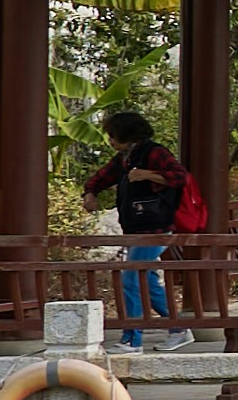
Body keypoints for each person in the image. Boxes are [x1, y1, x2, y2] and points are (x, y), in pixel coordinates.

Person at [81, 108, 198, 340]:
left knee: (132, 278)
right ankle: (178, 328)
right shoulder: (124, 158)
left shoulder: (155, 153)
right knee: (149, 281)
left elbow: (180, 177)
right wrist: (90, 193)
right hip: (135, 228)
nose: (111, 140)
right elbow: (101, 177)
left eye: (113, 135)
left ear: (127, 134)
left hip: (156, 227)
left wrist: (148, 175)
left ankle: (132, 339)